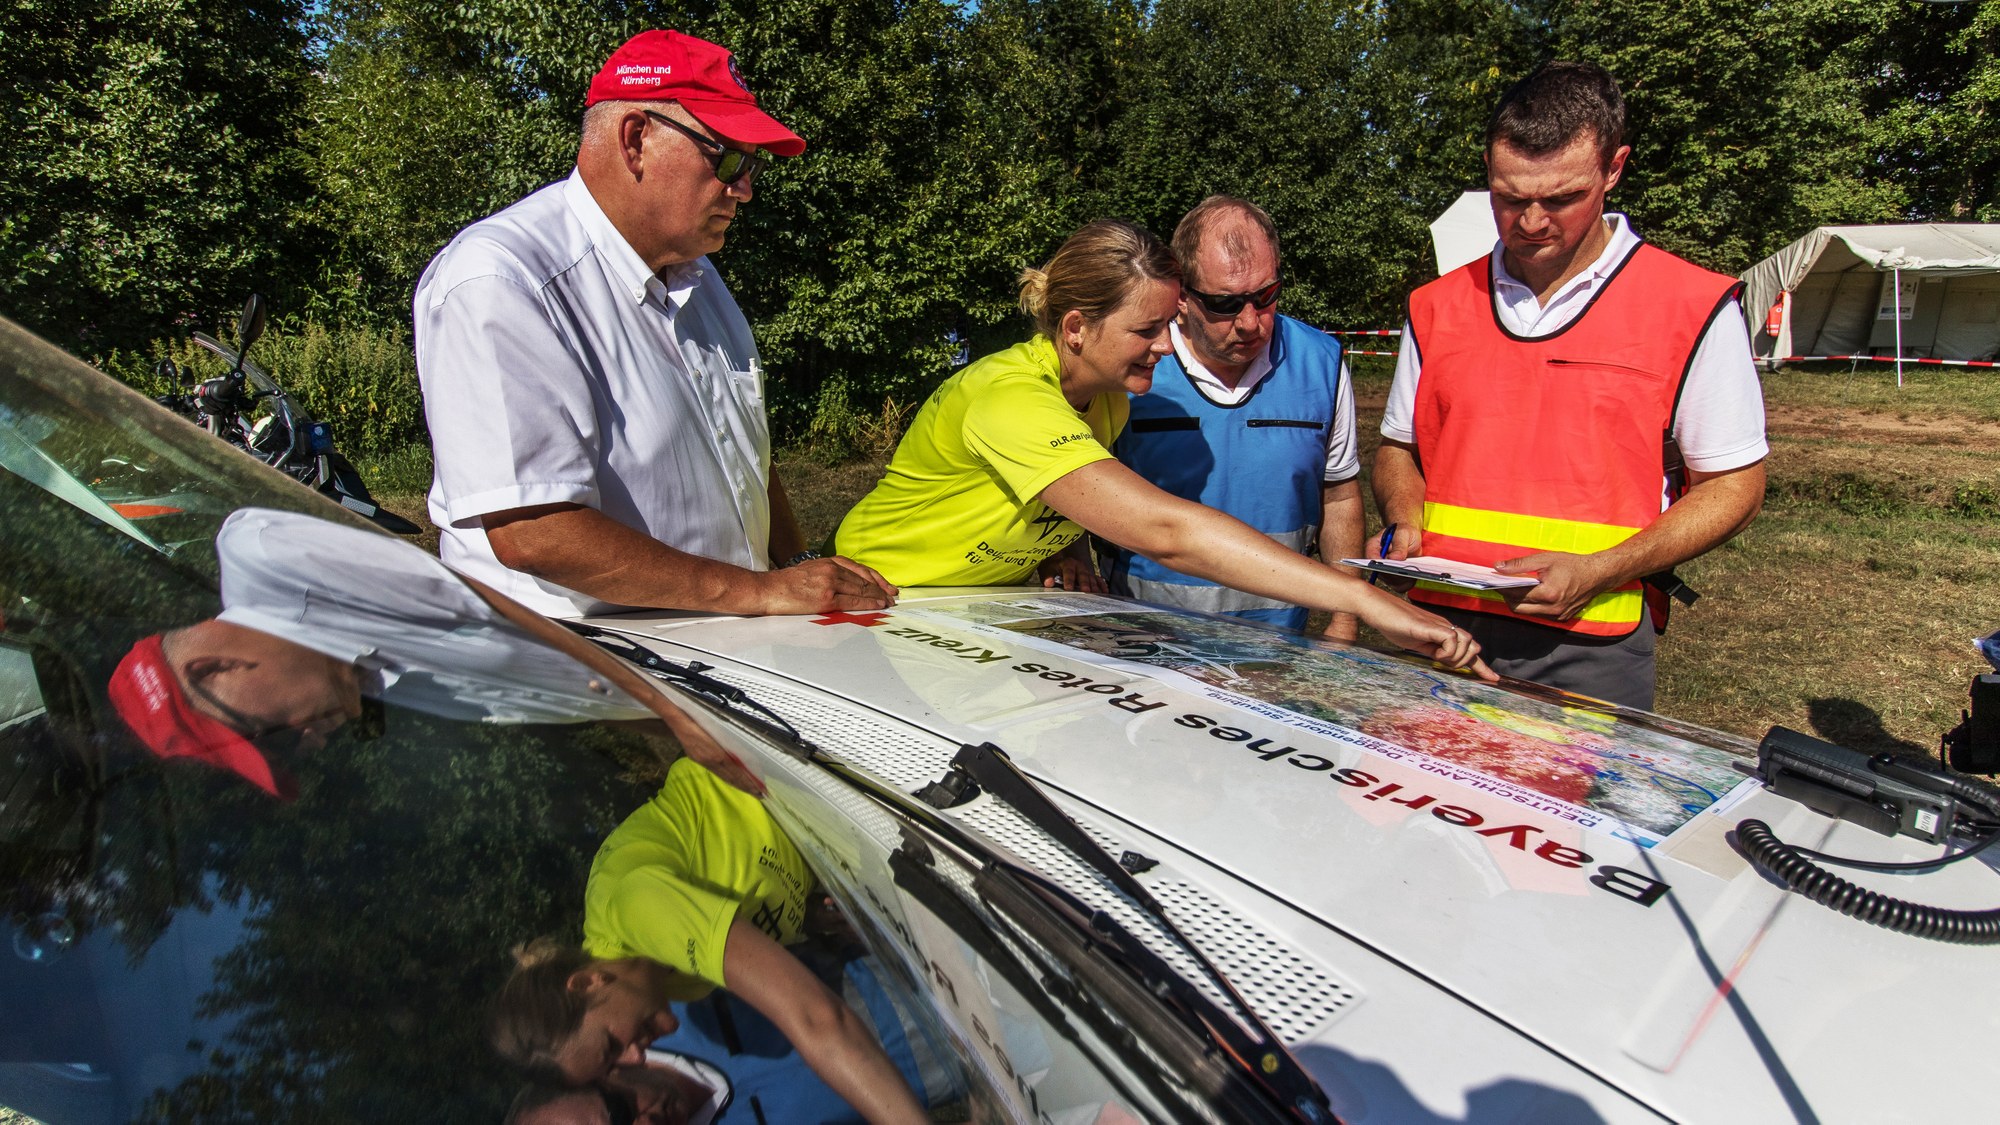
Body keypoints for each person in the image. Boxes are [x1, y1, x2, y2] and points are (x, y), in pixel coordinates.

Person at [833, 220, 1492, 678]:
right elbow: (1168, 531)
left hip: (975, 606)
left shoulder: (1110, 398)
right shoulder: (1007, 399)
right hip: (877, 598)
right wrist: (1364, 600)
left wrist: (1063, 546)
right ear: (1076, 328)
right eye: (1147, 329)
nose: (1166, 347)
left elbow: (1057, 492)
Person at [413, 29, 894, 620]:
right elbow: (535, 531)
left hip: (720, 645)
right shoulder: (502, 279)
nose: (744, 189)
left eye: (753, 165)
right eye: (729, 158)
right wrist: (761, 592)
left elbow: (743, 450)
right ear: (636, 139)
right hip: (576, 658)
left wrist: (796, 565)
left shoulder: (697, 276)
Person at [1371, 61, 1767, 710]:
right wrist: (1403, 518)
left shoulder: (1690, 305)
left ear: (1614, 169)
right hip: (1437, 623)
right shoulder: (1437, 305)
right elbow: (1398, 450)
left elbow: (1735, 487)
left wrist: (1601, 570)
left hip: (1591, 639)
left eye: (1560, 199)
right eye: (1509, 197)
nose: (1531, 221)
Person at [107, 507, 754, 797]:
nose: (305, 743)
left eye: (268, 738)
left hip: (696, 621)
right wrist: (696, 735)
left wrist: (673, 713)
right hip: (714, 692)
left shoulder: (265, 555)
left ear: (214, 667)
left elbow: (490, 595)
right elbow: (567, 695)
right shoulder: (373, 682)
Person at [487, 760, 928, 1123]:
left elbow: (815, 1018)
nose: (636, 1058)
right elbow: (744, 880)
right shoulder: (678, 983)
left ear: (586, 983)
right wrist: (813, 913)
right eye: (613, 1066)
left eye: (612, 1046)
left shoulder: (632, 910)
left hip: (815, 769)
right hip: (838, 815)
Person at [1100, 196, 1365, 638]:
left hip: (1277, 644)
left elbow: (1338, 495)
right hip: (1146, 641)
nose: (1249, 322)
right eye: (1225, 304)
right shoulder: (1131, 364)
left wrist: (1345, 618)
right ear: (1181, 296)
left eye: (1265, 296)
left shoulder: (1321, 363)